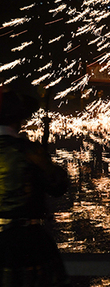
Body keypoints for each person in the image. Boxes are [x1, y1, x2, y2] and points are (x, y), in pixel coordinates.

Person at [0, 88, 70, 286]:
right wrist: (44, 160)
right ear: (18, 119)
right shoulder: (29, 151)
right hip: (26, 244)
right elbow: (58, 187)